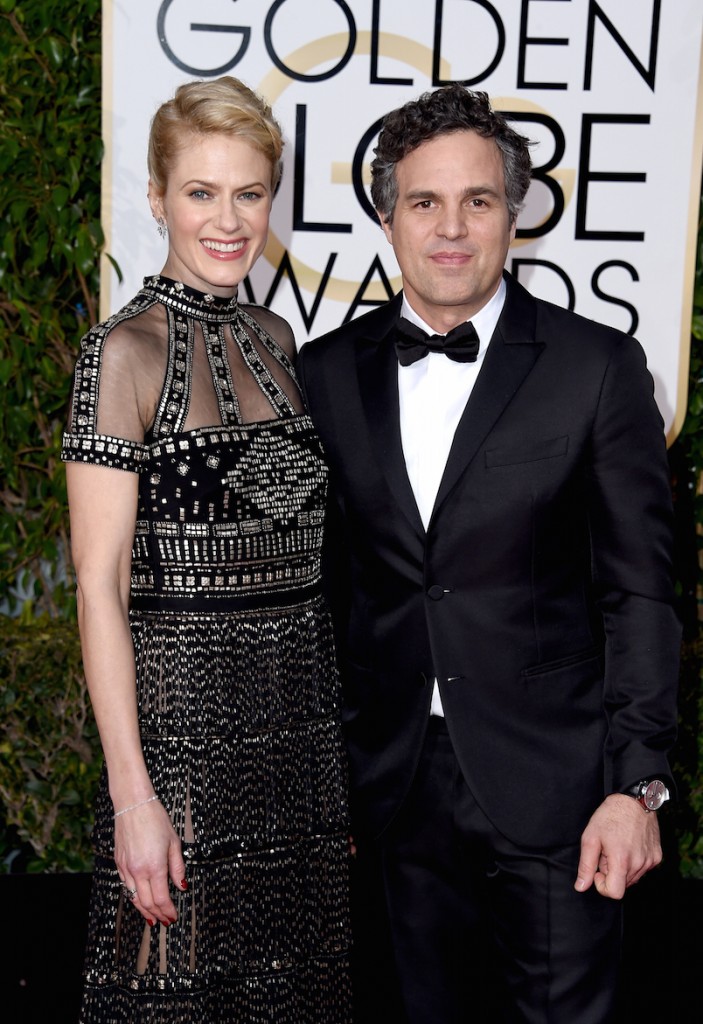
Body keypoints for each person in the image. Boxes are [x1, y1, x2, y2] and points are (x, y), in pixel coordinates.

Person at [297, 85, 680, 1024]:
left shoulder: (594, 367)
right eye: (424, 202)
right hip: (390, 792)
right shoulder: (325, 372)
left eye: (478, 201)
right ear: (387, 217)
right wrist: (329, 783)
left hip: (559, 789)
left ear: (513, 215)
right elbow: (327, 595)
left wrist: (637, 786)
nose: (451, 228)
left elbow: (642, 592)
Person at [62, 76, 352, 1022]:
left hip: (294, 725)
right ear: (156, 198)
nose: (228, 221)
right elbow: (98, 587)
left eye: (249, 193)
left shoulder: (275, 336)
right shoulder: (124, 354)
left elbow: (295, 546)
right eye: (200, 193)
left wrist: (330, 757)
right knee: (172, 997)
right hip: (182, 734)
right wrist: (134, 797)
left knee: (286, 994)